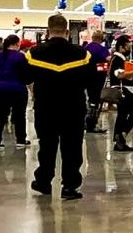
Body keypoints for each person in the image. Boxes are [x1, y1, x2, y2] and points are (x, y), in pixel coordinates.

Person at [23, 14, 92, 200]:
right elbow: (90, 80)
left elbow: (26, 78)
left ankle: (44, 182)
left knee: (46, 146)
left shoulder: (34, 53)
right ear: (68, 32)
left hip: (46, 107)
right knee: (72, 147)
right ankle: (70, 186)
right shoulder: (82, 54)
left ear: (47, 31)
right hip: (73, 108)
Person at [0, 35, 29, 150]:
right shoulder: (21, 57)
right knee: (20, 115)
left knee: (0, 115)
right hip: (18, 89)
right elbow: (27, 74)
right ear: (16, 44)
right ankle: (20, 140)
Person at [108, 35, 133, 152]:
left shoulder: (120, 59)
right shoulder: (117, 59)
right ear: (121, 47)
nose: (130, 49)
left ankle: (119, 141)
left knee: (122, 115)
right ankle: (120, 136)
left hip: (124, 89)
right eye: (128, 47)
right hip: (122, 91)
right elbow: (120, 75)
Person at [83, 29, 111, 134]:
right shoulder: (102, 49)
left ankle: (86, 122)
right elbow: (109, 59)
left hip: (86, 77)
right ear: (101, 38)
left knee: (89, 99)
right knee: (95, 100)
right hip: (98, 77)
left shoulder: (86, 48)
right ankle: (92, 123)